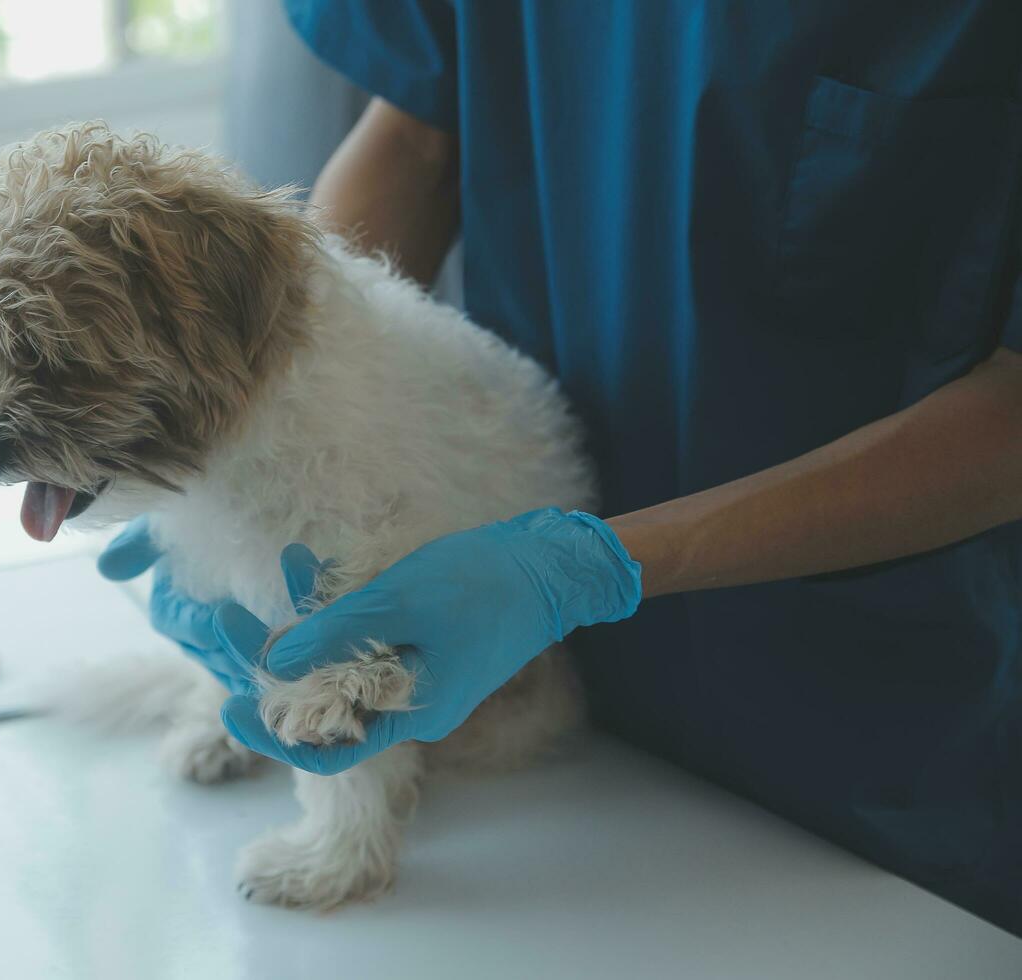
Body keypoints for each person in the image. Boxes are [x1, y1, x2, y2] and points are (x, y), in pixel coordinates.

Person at [99, 2, 1022, 933]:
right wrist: (258, 395)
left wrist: (582, 569)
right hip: (536, 705)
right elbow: (415, 135)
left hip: (881, 732)